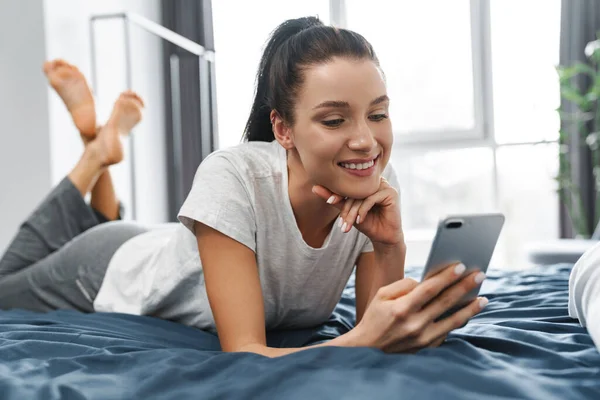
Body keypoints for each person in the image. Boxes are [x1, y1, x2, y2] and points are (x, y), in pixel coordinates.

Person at [0, 17, 488, 358]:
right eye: (335, 119)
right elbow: (248, 353)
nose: (365, 141)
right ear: (283, 130)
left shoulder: (376, 183)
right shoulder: (232, 175)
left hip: (163, 244)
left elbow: (376, 329)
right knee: (6, 281)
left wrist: (390, 245)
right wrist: (364, 341)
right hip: (107, 267)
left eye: (378, 114)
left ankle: (97, 146)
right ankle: (93, 155)